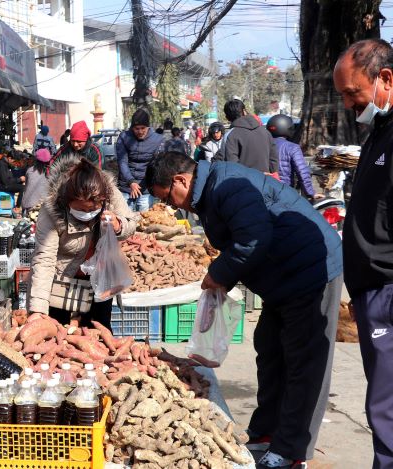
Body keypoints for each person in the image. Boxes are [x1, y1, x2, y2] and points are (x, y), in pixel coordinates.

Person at [146, 152, 343, 469]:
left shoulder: (225, 187)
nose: (171, 206)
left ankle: (292, 450)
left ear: (180, 180)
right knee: (270, 350)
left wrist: (220, 272)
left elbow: (253, 238)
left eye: (168, 197)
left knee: (303, 365)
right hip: (282, 278)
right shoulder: (210, 191)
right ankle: (267, 432)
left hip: (310, 272)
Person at [333, 38, 393, 468]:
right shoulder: (380, 132)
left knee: (386, 408)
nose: (350, 105)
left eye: (353, 93)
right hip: (374, 293)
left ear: (384, 80)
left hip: (388, 294)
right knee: (383, 402)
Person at [28, 156, 137, 329]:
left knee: (99, 331)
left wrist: (119, 225)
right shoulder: (51, 210)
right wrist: (38, 309)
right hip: (61, 280)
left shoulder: (110, 193)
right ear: (67, 200)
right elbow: (44, 259)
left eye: (92, 209)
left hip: (100, 277)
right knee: (58, 332)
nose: (87, 213)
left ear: (102, 200)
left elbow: (131, 223)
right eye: (80, 209)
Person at [115, 108, 165, 212]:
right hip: (126, 186)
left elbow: (157, 165)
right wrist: (131, 182)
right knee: (125, 220)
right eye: (137, 128)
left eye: (143, 128)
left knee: (144, 220)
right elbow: (122, 162)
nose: (140, 131)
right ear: (132, 127)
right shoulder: (124, 137)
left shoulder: (158, 140)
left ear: (148, 127)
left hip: (145, 189)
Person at [214, 99, 279, 173]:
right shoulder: (265, 132)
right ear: (244, 111)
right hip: (266, 182)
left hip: (243, 182)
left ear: (227, 117)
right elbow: (273, 161)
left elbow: (232, 166)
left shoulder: (230, 135)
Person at [265, 115, 318, 199]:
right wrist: (311, 192)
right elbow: (302, 171)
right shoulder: (292, 147)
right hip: (284, 192)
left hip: (264, 191)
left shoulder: (261, 145)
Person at [22, 148, 51, 213]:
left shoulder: (30, 171)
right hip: (42, 207)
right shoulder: (50, 172)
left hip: (27, 205)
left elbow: (26, 186)